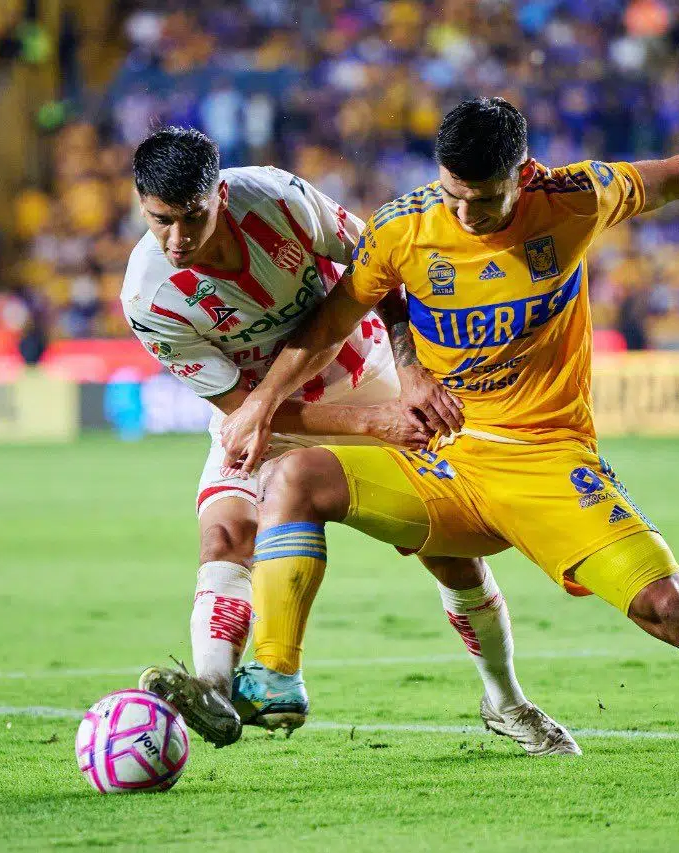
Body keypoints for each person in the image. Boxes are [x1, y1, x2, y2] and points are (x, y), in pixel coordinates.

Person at [220, 99, 679, 776]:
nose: (466, 215)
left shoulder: (574, 199)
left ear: (524, 174)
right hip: (445, 460)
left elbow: (675, 175)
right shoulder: (403, 227)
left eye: (483, 200)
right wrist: (290, 397)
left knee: (673, 606)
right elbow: (337, 319)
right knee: (292, 478)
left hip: (548, 461)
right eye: (453, 195)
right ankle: (275, 673)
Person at [123, 127, 576, 756]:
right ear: (141, 205)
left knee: (447, 551)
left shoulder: (280, 201)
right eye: (159, 221)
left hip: (371, 377)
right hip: (277, 414)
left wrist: (409, 372)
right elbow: (246, 415)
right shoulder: (150, 299)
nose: (176, 240)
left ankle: (506, 700)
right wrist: (368, 425)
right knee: (226, 533)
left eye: (191, 219)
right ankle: (215, 690)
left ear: (220, 195)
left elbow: (383, 266)